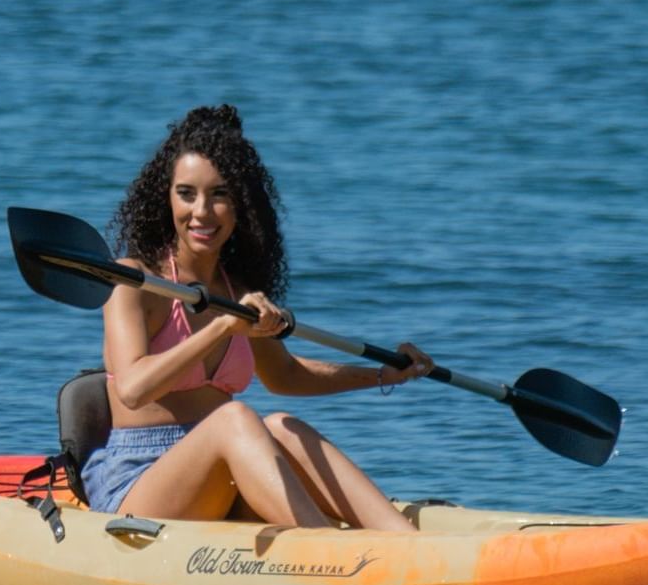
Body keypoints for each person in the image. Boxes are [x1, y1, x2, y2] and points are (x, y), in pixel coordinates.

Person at [80, 104, 434, 531]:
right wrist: (224, 326)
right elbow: (134, 388)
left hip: (220, 479)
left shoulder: (237, 290)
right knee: (234, 418)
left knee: (282, 425)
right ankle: (333, 554)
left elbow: (285, 376)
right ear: (166, 198)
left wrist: (380, 375)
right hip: (139, 479)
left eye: (220, 195)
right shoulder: (136, 282)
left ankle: (406, 542)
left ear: (241, 206)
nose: (202, 212)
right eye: (187, 193)